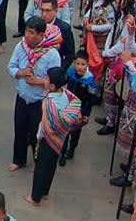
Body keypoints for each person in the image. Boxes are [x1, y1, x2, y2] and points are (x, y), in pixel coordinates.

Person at [8, 16, 61, 172]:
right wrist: (20, 73)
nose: (27, 36)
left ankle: (38, 163)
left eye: (32, 33)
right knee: (20, 130)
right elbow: (11, 67)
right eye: (26, 31)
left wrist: (36, 81)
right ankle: (19, 160)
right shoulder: (21, 47)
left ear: (41, 35)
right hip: (22, 98)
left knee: (37, 135)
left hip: (39, 102)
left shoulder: (52, 54)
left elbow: (55, 81)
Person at [25, 66, 82, 207]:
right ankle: (44, 192)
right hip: (60, 139)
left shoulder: (50, 103)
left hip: (48, 138)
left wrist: (43, 134)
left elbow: (52, 124)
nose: (43, 80)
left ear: (52, 85)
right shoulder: (66, 95)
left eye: (46, 78)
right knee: (50, 167)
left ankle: (35, 197)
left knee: (41, 168)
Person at [59, 49, 95, 165]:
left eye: (83, 64)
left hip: (79, 111)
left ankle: (72, 148)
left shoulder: (89, 81)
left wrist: (85, 114)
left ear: (87, 64)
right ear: (74, 63)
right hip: (67, 107)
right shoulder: (70, 72)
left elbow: (90, 100)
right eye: (78, 64)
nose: (80, 67)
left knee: (75, 133)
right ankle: (62, 153)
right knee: (64, 131)